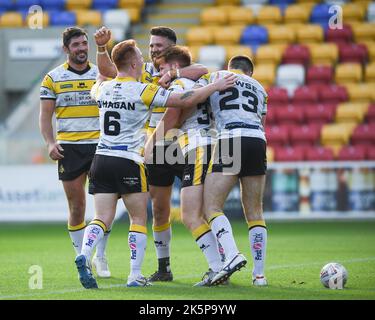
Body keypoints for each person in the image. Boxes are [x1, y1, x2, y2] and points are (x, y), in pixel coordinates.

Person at [74, 39, 236, 289]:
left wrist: (101, 54)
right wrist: (214, 86)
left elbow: (99, 78)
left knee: (101, 217)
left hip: (101, 158)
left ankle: (85, 253)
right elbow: (183, 100)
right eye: (140, 54)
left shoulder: (102, 90)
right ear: (134, 62)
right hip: (129, 160)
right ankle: (135, 275)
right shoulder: (143, 90)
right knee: (138, 219)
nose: (144, 58)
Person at [94, 26, 208, 281]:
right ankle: (163, 267)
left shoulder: (181, 68)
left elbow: (203, 70)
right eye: (152, 45)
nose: (154, 49)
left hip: (181, 142)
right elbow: (107, 71)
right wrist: (102, 48)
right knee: (158, 208)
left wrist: (173, 73)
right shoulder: (141, 70)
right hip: (154, 146)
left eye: (159, 45)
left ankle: (221, 260)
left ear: (172, 47)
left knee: (204, 206)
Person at [145, 46, 227, 286]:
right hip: (208, 144)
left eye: (162, 66)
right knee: (200, 212)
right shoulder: (198, 80)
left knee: (191, 215)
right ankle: (220, 264)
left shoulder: (180, 83)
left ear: (172, 65)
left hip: (190, 145)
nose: (153, 50)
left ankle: (221, 265)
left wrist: (149, 147)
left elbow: (172, 116)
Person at [39, 26, 111, 278]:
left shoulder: (100, 73)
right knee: (77, 206)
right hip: (68, 148)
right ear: (66, 49)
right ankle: (82, 257)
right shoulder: (53, 78)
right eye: (76, 45)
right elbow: (45, 116)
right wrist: (50, 143)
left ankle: (100, 257)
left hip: (101, 145)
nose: (82, 48)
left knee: (105, 206)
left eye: (84, 43)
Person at [196, 55, 268, 286]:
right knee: (255, 212)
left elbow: (196, 92)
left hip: (230, 138)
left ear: (231, 68)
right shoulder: (260, 88)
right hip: (257, 140)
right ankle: (259, 276)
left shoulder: (216, 76)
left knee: (212, 206)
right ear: (250, 72)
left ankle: (233, 254)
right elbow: (262, 121)